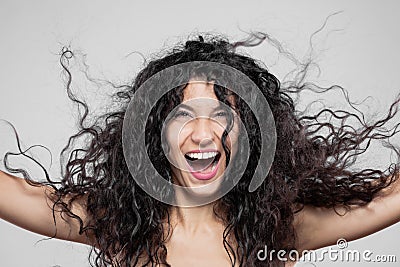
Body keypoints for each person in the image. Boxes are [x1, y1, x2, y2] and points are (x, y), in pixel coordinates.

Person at [0, 34, 399, 267]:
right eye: (183, 116)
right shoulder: (117, 224)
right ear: (155, 134)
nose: (204, 134)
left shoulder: (282, 227)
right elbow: (14, 196)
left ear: (249, 135)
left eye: (223, 114)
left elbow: (389, 198)